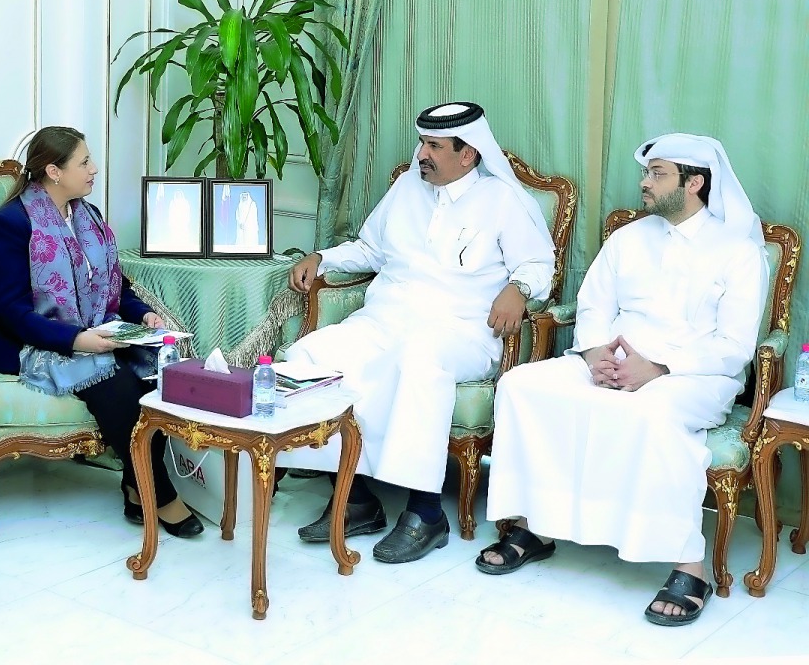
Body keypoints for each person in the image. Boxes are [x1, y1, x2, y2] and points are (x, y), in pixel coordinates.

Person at [477, 133, 768, 627]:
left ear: (695, 183)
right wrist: (595, 355)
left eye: (658, 174)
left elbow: (734, 346)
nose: (644, 183)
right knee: (522, 386)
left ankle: (687, 564)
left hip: (695, 374)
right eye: (646, 173)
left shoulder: (737, 250)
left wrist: (656, 367)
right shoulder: (630, 237)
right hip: (610, 359)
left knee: (650, 413)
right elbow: (593, 305)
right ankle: (533, 527)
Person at [280, 102, 556, 563]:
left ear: (467, 154)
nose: (421, 153)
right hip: (384, 321)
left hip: (461, 332)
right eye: (421, 143)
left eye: (433, 146)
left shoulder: (501, 200)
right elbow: (369, 248)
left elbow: (538, 264)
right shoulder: (409, 187)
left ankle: (426, 513)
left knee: (420, 357)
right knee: (310, 354)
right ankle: (356, 497)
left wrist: (520, 287)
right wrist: (323, 259)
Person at [0, 125, 204, 539]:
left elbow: (117, 286)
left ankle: (135, 486)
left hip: (92, 331)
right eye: (84, 162)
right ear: (54, 172)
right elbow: (10, 311)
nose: (94, 169)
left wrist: (144, 315)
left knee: (154, 369)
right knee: (115, 383)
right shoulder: (9, 223)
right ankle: (159, 493)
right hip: (19, 338)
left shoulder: (86, 215)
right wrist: (75, 341)